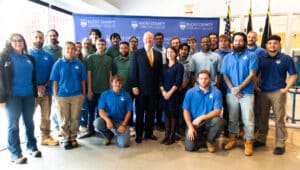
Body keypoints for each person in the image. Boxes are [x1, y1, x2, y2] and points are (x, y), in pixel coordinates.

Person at [0, 33, 41, 164]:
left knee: (29, 123)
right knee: (13, 126)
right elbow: (0, 79)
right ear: (10, 43)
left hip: (28, 95)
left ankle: (32, 147)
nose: (18, 43)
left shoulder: (29, 58)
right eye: (15, 40)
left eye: (20, 40)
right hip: (13, 97)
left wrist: (35, 95)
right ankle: (15, 153)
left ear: (24, 42)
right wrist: (1, 99)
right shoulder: (4, 58)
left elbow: (33, 78)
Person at [254, 35, 297, 155]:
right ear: (266, 45)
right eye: (270, 43)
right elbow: (255, 74)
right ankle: (261, 139)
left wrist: (287, 88)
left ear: (279, 45)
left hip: (278, 92)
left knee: (279, 119)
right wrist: (256, 86)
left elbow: (293, 75)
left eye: (275, 43)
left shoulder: (286, 58)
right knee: (263, 117)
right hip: (263, 92)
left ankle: (280, 143)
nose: (272, 45)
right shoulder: (261, 59)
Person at [221, 32, 258, 156]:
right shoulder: (227, 57)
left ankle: (248, 142)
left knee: (248, 119)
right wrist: (232, 88)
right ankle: (233, 139)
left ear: (245, 42)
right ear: (233, 42)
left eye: (240, 40)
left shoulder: (252, 56)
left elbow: (252, 74)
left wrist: (239, 88)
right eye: (236, 40)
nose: (238, 42)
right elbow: (224, 74)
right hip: (231, 93)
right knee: (232, 118)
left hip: (246, 93)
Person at [50, 41, 86, 149]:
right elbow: (55, 81)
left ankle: (73, 137)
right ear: (63, 51)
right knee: (64, 119)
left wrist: (83, 94)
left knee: (75, 118)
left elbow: (83, 80)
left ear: (75, 51)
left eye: (72, 48)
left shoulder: (79, 64)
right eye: (67, 48)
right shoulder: (58, 64)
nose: (70, 50)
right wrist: (56, 96)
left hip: (77, 95)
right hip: (62, 96)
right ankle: (66, 138)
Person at [130, 31, 162, 143]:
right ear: (143, 40)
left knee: (151, 113)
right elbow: (133, 71)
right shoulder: (136, 53)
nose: (149, 40)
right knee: (139, 113)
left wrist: (159, 87)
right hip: (140, 90)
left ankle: (149, 133)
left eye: (151, 38)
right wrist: (134, 85)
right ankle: (139, 134)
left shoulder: (158, 54)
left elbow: (159, 73)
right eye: (147, 38)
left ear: (153, 40)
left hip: (153, 90)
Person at [183, 70, 224, 152]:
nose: (203, 80)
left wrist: (201, 118)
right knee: (190, 148)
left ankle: (209, 141)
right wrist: (190, 127)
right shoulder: (190, 92)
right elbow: (186, 111)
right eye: (201, 78)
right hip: (194, 123)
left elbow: (217, 111)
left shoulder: (216, 92)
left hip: (209, 121)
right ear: (197, 79)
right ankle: (201, 139)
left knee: (219, 121)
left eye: (206, 78)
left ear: (210, 79)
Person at [29, 30, 58, 146]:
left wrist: (44, 86)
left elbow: (52, 74)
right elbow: (26, 74)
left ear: (43, 39)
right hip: (31, 92)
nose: (38, 40)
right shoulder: (27, 54)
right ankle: (29, 139)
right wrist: (36, 87)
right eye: (36, 37)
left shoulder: (49, 56)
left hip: (46, 91)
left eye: (40, 38)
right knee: (28, 116)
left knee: (46, 116)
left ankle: (45, 137)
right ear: (32, 39)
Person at [93, 75, 132, 148]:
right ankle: (109, 135)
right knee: (97, 123)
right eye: (116, 82)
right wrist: (107, 120)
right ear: (112, 83)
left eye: (120, 83)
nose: (118, 84)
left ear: (122, 84)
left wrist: (123, 125)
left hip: (121, 122)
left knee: (124, 144)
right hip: (109, 119)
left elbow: (129, 112)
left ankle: (120, 135)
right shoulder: (105, 94)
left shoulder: (127, 95)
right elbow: (101, 110)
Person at [86, 38, 112, 138]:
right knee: (90, 112)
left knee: (102, 113)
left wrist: (110, 91)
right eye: (99, 44)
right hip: (93, 90)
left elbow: (110, 75)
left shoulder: (109, 59)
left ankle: (100, 130)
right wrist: (89, 90)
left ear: (105, 46)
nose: (101, 46)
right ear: (95, 46)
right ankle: (90, 130)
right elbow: (89, 74)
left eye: (102, 44)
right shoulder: (91, 57)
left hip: (105, 92)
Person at [160, 47, 183, 145]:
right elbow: (160, 80)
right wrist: (163, 92)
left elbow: (178, 81)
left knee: (173, 115)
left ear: (176, 53)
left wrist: (169, 93)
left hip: (174, 95)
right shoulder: (163, 66)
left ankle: (172, 136)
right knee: (167, 115)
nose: (169, 53)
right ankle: (166, 135)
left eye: (171, 52)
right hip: (164, 94)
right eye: (167, 52)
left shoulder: (179, 66)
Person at [43, 29, 62, 135]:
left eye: (54, 35)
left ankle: (58, 127)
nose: (53, 37)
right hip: (46, 84)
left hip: (59, 84)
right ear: (47, 37)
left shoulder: (62, 50)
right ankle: (54, 128)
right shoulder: (44, 50)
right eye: (50, 35)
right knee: (48, 110)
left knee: (58, 106)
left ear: (57, 37)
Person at [216, 34, 232, 137]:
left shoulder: (232, 53)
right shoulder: (215, 53)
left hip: (229, 87)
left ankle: (227, 130)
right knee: (216, 108)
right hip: (217, 86)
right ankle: (216, 130)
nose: (223, 42)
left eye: (225, 40)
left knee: (228, 109)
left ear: (228, 42)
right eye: (221, 40)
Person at [178, 43, 194, 137]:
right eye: (182, 49)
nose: (183, 51)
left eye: (185, 49)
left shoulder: (191, 62)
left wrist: (184, 85)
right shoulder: (175, 60)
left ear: (188, 51)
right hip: (175, 88)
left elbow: (191, 76)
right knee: (176, 108)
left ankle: (183, 127)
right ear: (179, 50)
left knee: (184, 108)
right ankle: (176, 128)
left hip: (186, 88)